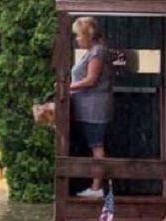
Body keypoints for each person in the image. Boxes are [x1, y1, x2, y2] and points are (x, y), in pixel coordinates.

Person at [69, 17, 112, 198]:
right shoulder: (90, 52)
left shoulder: (98, 52)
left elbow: (91, 80)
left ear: (87, 35)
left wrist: (68, 86)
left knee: (96, 145)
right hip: (86, 107)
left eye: (78, 36)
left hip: (94, 108)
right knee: (92, 144)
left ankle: (97, 188)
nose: (77, 39)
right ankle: (95, 185)